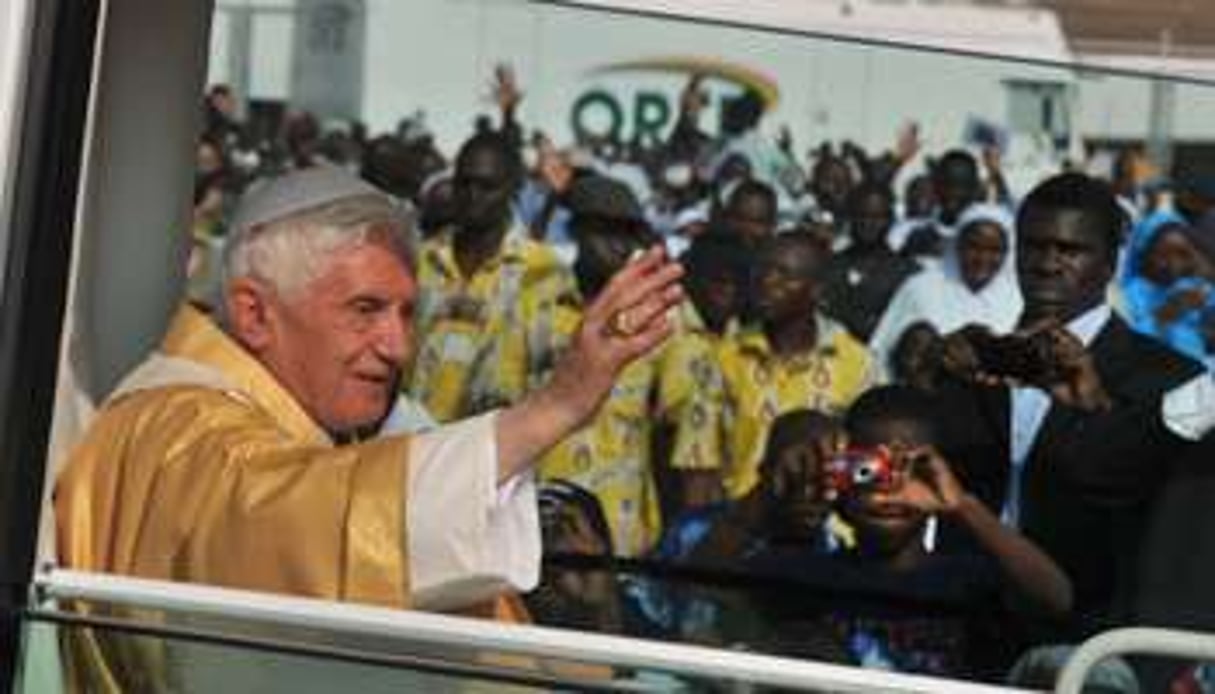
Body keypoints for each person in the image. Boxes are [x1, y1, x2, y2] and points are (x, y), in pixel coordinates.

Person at [55, 166, 685, 687]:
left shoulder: (289, 412)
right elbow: (283, 520)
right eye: (365, 310)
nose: (396, 345)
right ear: (254, 314)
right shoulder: (180, 421)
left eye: (408, 313)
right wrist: (555, 407)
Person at [932, 172, 1214, 638]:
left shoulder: (1167, 377)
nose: (1047, 264)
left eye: (1070, 250)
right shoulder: (970, 364)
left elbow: (1133, 484)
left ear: (1109, 264)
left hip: (1094, 640)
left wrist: (1093, 406)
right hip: (967, 629)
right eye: (1034, 247)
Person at [538, 176, 724, 555]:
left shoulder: (660, 312)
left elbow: (689, 433)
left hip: (617, 532)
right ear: (577, 229)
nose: (617, 244)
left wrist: (682, 544)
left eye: (627, 233)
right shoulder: (538, 302)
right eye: (604, 231)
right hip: (530, 519)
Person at [409, 131, 578, 421]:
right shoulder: (420, 260)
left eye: (487, 187)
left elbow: (551, 378)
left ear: (514, 188)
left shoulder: (542, 272)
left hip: (497, 450)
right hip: (416, 446)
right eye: (465, 183)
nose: (473, 196)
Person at [717, 232, 880, 499]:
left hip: (825, 527)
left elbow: (873, 463)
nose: (767, 282)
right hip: (741, 526)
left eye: (784, 275)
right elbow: (700, 466)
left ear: (816, 290)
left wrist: (817, 475)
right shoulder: (724, 358)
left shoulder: (858, 364)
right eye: (764, 270)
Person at [868, 203, 1022, 370]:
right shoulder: (921, 288)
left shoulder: (1018, 299)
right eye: (974, 247)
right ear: (957, 245)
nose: (983, 258)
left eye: (994, 250)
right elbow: (882, 352)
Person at [820, 181, 921, 342]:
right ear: (850, 217)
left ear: (890, 219)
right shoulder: (829, 266)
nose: (868, 223)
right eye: (861, 215)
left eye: (877, 217)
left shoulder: (908, 273)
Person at [1120, 209, 1215, 364]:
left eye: (1182, 254)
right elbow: (1127, 346)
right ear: (1144, 254)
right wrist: (1163, 317)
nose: (1174, 265)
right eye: (1163, 255)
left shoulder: (1190, 286)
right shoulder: (1129, 295)